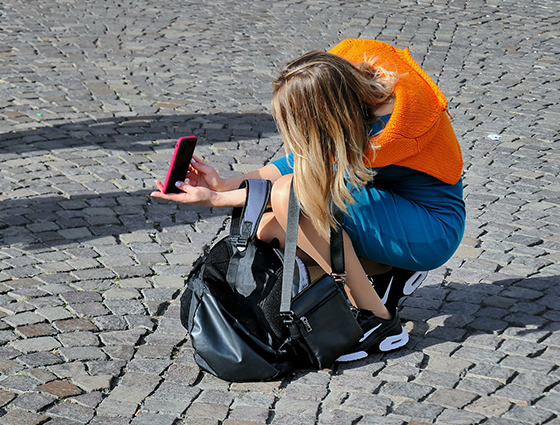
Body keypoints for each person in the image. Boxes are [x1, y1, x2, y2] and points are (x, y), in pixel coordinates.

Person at [151, 39, 465, 362]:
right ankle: (386, 272)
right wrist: (223, 185)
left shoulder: (383, 132)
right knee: (268, 227)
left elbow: (301, 186)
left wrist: (218, 198)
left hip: (432, 225)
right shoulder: (344, 77)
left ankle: (380, 320)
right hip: (391, 203)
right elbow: (299, 163)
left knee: (290, 200)